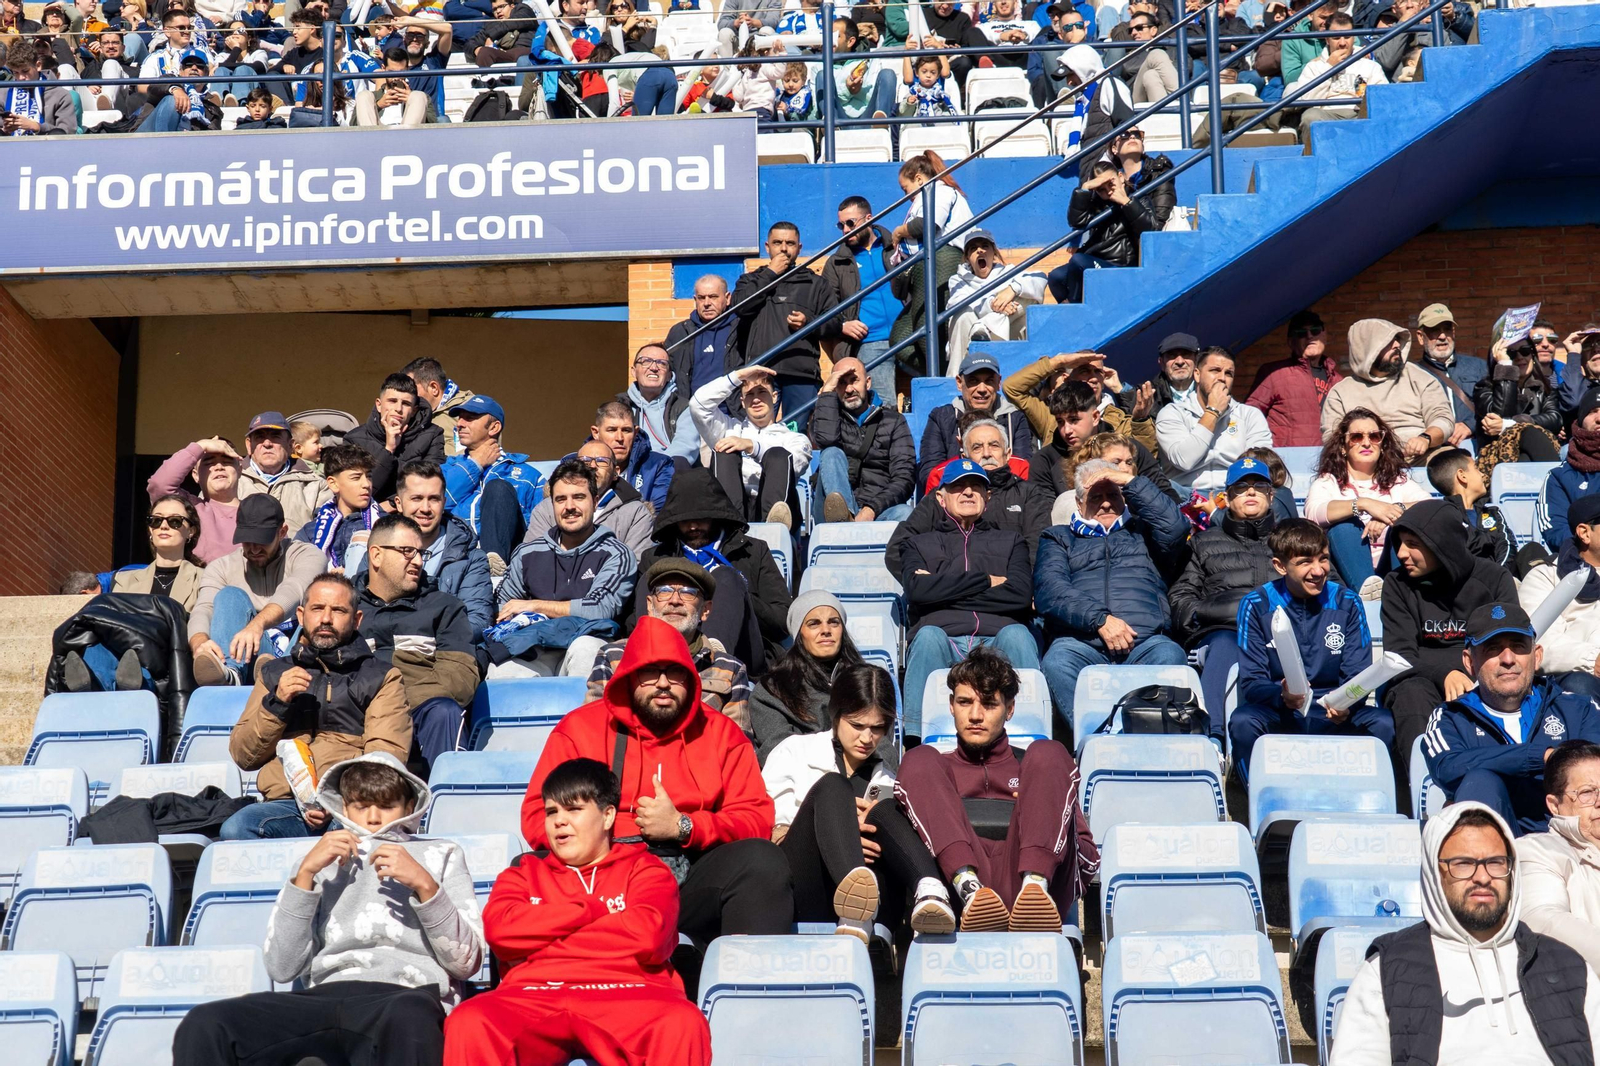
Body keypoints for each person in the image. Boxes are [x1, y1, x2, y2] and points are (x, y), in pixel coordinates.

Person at [173, 753, 486, 1066]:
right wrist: (305, 875)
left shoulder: (442, 853)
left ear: (409, 806)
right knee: (207, 1022)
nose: (374, 818)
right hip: (323, 997)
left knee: (409, 1016)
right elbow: (282, 967)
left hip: (405, 995)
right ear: (344, 807)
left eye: (387, 806)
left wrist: (426, 886)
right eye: (362, 807)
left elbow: (466, 963)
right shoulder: (317, 858)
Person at [522, 617, 794, 941]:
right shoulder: (579, 729)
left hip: (692, 872)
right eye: (650, 671)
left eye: (675, 671)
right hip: (598, 873)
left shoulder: (722, 732)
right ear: (630, 676)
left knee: (763, 861)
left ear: (691, 678)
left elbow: (754, 817)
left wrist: (684, 826)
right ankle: (549, 988)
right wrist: (600, 842)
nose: (663, 683)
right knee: (528, 871)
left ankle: (740, 986)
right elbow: (539, 814)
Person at [442, 758, 712, 1066]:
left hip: (629, 994)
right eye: (552, 811)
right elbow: (501, 933)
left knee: (681, 1022)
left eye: (574, 810)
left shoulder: (646, 870)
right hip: (533, 994)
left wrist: (541, 942)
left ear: (608, 816)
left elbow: (648, 937)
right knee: (470, 1020)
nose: (559, 821)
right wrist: (588, 911)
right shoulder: (522, 873)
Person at [1329, 802, 1600, 1066]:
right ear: (1435, 873)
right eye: (1463, 863)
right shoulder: (1388, 969)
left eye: (1495, 862)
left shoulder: (1568, 965)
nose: (1482, 877)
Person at [896, 647, 1100, 931]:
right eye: (965, 702)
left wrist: (1036, 818)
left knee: (1049, 751)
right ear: (951, 705)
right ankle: (969, 888)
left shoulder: (1040, 769)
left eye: (989, 704)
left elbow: (1087, 861)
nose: (975, 715)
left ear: (1010, 709)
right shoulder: (931, 774)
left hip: (1033, 891)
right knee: (918, 757)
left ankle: (1034, 890)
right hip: (959, 895)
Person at [766, 665, 958, 942]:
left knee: (887, 808)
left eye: (877, 728)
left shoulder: (889, 778)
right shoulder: (794, 751)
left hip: (879, 897)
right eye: (857, 725)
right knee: (833, 787)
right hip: (806, 886)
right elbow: (773, 831)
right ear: (836, 714)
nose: (867, 739)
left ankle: (929, 889)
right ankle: (855, 898)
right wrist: (840, 835)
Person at [219, 573, 412, 840]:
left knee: (356, 832)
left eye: (338, 611)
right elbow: (244, 755)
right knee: (236, 828)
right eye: (317, 609)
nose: (325, 619)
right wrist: (278, 704)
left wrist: (336, 800)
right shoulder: (275, 673)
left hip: (351, 809)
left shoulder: (380, 676)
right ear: (300, 615)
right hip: (285, 803)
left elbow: (384, 757)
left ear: (356, 620)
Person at [1230, 519, 1392, 779]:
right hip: (1281, 711)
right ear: (1280, 566)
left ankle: (1366, 801)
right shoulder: (1256, 604)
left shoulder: (1346, 602)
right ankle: (1258, 799)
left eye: (1323, 559)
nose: (1318, 571)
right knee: (1243, 721)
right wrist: (1280, 696)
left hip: (1333, 711)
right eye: (1305, 562)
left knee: (1381, 723)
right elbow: (1252, 682)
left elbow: (1356, 673)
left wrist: (1346, 704)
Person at [1037, 459, 1192, 729]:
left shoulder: (1145, 533)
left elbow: (1175, 526)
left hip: (1144, 643)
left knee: (1170, 656)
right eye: (1095, 496)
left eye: (1113, 494)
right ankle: (1096, 737)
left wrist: (1129, 481)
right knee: (1057, 661)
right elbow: (1050, 590)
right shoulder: (1058, 537)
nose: (1106, 503)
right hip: (1082, 642)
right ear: (1078, 503)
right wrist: (1101, 621)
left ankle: (1144, 737)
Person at [900, 459, 1039, 738]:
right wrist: (986, 581)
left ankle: (1032, 733)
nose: (967, 492)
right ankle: (914, 742)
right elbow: (917, 592)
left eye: (976, 486)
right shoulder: (917, 543)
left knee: (1018, 634)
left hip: (997, 635)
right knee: (927, 637)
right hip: (943, 637)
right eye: (957, 487)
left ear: (987, 498)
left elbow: (1020, 596)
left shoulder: (1011, 541)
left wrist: (941, 593)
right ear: (941, 497)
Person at [1388, 504, 1520, 785]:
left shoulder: (1494, 579)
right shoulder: (1397, 584)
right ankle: (1427, 788)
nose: (1401, 554)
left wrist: (1469, 675)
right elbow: (1400, 656)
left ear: (1442, 544)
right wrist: (1446, 673)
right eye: (1399, 543)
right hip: (1419, 679)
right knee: (1411, 692)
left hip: (1483, 675)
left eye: (1412, 544)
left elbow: (1505, 644)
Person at [635, 466, 792, 676]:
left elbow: (782, 619)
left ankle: (712, 665)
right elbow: (631, 620)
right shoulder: (655, 557)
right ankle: (651, 661)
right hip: (668, 649)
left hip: (742, 653)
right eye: (684, 520)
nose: (693, 526)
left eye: (701, 518)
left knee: (726, 576)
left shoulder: (753, 552)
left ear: (716, 515)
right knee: (654, 576)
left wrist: (738, 594)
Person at [355, 514, 482, 768]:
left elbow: (461, 681)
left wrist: (393, 698)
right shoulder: (345, 607)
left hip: (422, 716)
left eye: (422, 553)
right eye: (407, 551)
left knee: (445, 711)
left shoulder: (445, 607)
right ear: (376, 555)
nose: (418, 561)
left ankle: (440, 802)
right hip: (357, 716)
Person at [1168, 458, 1281, 738]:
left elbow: (1329, 587)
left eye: (1259, 486)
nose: (1251, 492)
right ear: (1227, 498)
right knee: (1224, 643)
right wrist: (1211, 613)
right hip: (1225, 631)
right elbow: (1181, 599)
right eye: (1241, 487)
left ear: (1271, 495)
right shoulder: (1203, 542)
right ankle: (1212, 739)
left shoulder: (1292, 538)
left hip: (1285, 630)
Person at [495, 461, 637, 680]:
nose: (569, 507)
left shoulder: (616, 553)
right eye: (561, 499)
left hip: (588, 643)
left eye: (579, 497)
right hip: (535, 648)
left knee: (586, 650)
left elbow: (600, 609)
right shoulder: (527, 553)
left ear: (596, 501)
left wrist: (534, 605)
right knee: (501, 672)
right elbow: (503, 607)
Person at [589, 559, 750, 730]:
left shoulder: (730, 669)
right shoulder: (613, 656)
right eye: (664, 591)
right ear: (650, 605)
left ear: (705, 610)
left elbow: (739, 740)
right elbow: (593, 728)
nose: (675, 600)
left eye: (688, 592)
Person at [188, 495, 325, 687]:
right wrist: (199, 643)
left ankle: (275, 672)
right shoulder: (222, 567)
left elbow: (294, 588)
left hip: (295, 655)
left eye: (261, 541)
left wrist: (257, 625)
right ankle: (230, 676)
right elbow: (204, 608)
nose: (253, 549)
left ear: (282, 532)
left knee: (315, 616)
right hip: (248, 657)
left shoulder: (307, 555)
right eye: (246, 541)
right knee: (229, 596)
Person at [890, 416, 1052, 575]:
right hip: (946, 595)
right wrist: (926, 583)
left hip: (1007, 594)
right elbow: (898, 547)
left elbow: (1039, 552)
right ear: (964, 457)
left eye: (994, 445)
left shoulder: (1028, 494)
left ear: (1008, 453)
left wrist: (1015, 587)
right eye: (977, 447)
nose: (987, 453)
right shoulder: (943, 496)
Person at [1306, 408, 1434, 596]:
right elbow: (1314, 513)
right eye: (1356, 437)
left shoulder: (1398, 480)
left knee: (1400, 527)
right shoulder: (1329, 481)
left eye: (1374, 436)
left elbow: (1431, 508)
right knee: (1345, 526)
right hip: (1344, 574)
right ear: (1343, 446)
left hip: (1394, 565)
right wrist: (1364, 504)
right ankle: (1367, 595)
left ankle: (1402, 595)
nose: (1366, 442)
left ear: (1382, 444)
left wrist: (1391, 514)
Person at [730, 222, 838, 429]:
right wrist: (771, 273)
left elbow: (834, 323)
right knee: (757, 431)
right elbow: (740, 307)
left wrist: (809, 323)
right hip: (759, 372)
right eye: (777, 242)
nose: (784, 248)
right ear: (767, 247)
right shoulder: (750, 280)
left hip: (801, 373)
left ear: (799, 247)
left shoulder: (815, 284)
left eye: (790, 243)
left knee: (796, 434)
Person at [688, 365, 812, 533]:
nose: (755, 399)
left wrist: (752, 446)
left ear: (774, 397)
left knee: (779, 455)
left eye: (762, 392)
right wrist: (737, 376)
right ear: (742, 401)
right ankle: (730, 527)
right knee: (725, 451)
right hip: (737, 506)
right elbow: (698, 405)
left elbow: (795, 464)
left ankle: (774, 528)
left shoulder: (794, 438)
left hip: (777, 508)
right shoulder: (729, 429)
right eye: (749, 395)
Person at [748, 592, 867, 764]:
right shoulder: (772, 690)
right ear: (799, 634)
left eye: (834, 622)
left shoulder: (866, 683)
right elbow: (778, 752)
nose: (826, 630)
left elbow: (883, 747)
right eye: (814, 624)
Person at [384, 461, 494, 639]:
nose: (425, 508)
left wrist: (419, 637)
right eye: (417, 498)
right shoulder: (380, 550)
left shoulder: (470, 558)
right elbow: (363, 611)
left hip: (444, 655)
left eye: (434, 499)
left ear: (444, 502)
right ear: (399, 503)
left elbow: (478, 622)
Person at [1322, 319, 1456, 463]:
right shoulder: (1341, 392)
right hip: (1368, 465)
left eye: (1397, 339)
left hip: (1421, 458)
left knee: (1453, 462)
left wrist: (1425, 438)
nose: (1397, 345)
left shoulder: (1418, 377)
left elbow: (1443, 418)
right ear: (1368, 348)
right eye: (1389, 341)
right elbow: (1333, 439)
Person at [1517, 740, 1600, 971]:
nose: (1599, 801)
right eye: (1586, 793)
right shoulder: (1537, 850)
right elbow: (1540, 919)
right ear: (1555, 805)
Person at [1029, 378, 1178, 502]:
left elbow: (1165, 494)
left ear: (1095, 417)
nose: (1067, 430)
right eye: (1060, 421)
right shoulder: (1044, 461)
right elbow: (1043, 514)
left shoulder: (1127, 449)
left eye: (1074, 420)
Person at [1155, 346, 1273, 498]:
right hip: (1185, 494)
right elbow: (1184, 460)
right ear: (1197, 375)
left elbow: (1258, 465)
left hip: (1236, 493)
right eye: (1215, 370)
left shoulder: (1249, 415)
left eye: (1228, 373)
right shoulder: (1173, 413)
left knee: (1281, 495)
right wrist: (1212, 412)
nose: (1222, 378)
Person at [811, 356, 916, 524]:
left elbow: (904, 477)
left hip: (877, 511)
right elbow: (826, 440)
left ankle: (850, 524)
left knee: (905, 513)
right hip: (830, 512)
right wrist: (827, 394)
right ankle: (846, 518)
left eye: (854, 380)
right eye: (841, 383)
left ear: (867, 383)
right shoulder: (828, 414)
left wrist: (871, 509)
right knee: (831, 453)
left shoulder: (894, 421)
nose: (849, 388)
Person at [442, 395, 544, 568]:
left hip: (511, 562)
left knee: (498, 488)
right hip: (456, 560)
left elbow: (542, 525)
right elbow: (438, 502)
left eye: (470, 418)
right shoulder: (447, 468)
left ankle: (494, 564)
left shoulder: (529, 475)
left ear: (494, 427)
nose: (460, 424)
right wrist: (475, 465)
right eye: (460, 418)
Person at [1005, 352, 1156, 468]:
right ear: (1068, 378)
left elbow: (1144, 461)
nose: (1094, 378)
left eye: (1098, 372)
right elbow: (1012, 388)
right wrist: (1058, 362)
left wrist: (1141, 419)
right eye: (1085, 371)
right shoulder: (1052, 415)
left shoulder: (1121, 418)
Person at [820, 196, 903, 403]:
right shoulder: (837, 263)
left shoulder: (897, 247)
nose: (845, 230)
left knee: (934, 384)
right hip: (871, 341)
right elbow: (823, 309)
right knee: (885, 406)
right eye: (841, 225)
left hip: (909, 334)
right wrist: (842, 325)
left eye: (851, 223)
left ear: (868, 219)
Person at [1521, 497, 1600, 701]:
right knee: (1579, 686)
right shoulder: (1547, 576)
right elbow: (1540, 642)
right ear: (1584, 532)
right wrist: (1594, 660)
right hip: (1582, 676)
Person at [920, 353, 1036, 491]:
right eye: (973, 381)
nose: (982, 389)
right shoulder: (941, 418)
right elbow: (931, 475)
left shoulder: (1015, 418)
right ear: (959, 382)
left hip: (1007, 497)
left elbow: (1023, 470)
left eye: (989, 381)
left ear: (999, 382)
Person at [1048, 160, 1156, 305]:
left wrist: (1126, 202)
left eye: (1110, 184)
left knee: (1078, 261)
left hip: (1120, 265)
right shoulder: (1096, 205)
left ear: (1121, 177)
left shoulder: (1140, 199)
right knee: (1056, 276)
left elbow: (1150, 230)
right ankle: (1073, 306)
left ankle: (1074, 310)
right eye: (1101, 189)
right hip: (1095, 259)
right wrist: (1085, 188)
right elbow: (1076, 222)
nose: (1108, 191)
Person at [525, 441, 654, 560]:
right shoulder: (546, 509)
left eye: (601, 461)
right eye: (585, 460)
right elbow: (531, 558)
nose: (592, 466)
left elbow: (635, 563)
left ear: (616, 472)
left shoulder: (636, 513)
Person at [944, 231, 1049, 376]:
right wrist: (995, 304)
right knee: (963, 315)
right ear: (968, 257)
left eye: (985, 246)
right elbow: (959, 302)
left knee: (1028, 298)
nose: (979, 250)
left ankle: (984, 326)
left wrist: (1012, 289)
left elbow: (1040, 278)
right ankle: (954, 377)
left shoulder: (1008, 272)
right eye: (973, 248)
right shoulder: (957, 280)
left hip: (1002, 334)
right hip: (970, 338)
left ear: (994, 252)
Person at [1246, 310, 1346, 448]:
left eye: (1315, 330)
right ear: (1291, 342)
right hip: (1286, 461)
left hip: (1328, 461)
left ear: (1324, 335)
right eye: (1301, 333)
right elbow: (1249, 417)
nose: (1310, 336)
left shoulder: (1338, 381)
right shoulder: (1274, 373)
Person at [1284, 12, 1387, 144]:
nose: (1342, 43)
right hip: (1326, 113)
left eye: (1347, 37)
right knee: (1310, 117)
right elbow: (1306, 100)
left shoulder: (1370, 66)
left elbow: (1382, 97)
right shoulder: (1314, 66)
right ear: (1327, 39)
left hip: (1359, 113)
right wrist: (1329, 68)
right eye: (1336, 38)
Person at [346, 373, 448, 502]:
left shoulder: (433, 435)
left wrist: (391, 505)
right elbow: (357, 493)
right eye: (392, 401)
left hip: (414, 512)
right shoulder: (354, 439)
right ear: (379, 405)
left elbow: (431, 484)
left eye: (405, 403)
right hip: (366, 514)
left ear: (414, 411)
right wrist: (389, 449)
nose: (398, 409)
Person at [1475, 333, 1563, 469]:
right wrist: (1505, 367)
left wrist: (1510, 424)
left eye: (1525, 351)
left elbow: (1554, 419)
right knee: (1528, 442)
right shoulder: (1484, 388)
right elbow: (1500, 414)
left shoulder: (1545, 388)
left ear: (1532, 355)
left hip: (1536, 454)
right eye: (1511, 354)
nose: (1520, 357)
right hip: (1498, 458)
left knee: (1528, 442)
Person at [236, 411, 330, 537]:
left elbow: (324, 535)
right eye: (260, 437)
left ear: (290, 445)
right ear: (249, 445)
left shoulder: (316, 485)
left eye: (275, 437)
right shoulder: (231, 481)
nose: (267, 444)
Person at [293, 444, 381, 571]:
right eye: (356, 478)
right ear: (333, 484)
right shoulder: (310, 531)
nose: (366, 484)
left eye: (369, 476)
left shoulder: (386, 525)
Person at [1410, 302, 1486, 446]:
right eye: (1434, 330)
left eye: (1447, 329)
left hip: (1479, 447)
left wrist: (1470, 425)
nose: (1443, 336)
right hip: (1435, 453)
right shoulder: (1412, 374)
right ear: (1420, 337)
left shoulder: (1479, 367)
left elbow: (1495, 407)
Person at [1427, 447, 1515, 570]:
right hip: (1467, 585)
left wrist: (1498, 577)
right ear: (1462, 476)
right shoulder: (1443, 516)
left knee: (1532, 550)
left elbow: (1507, 546)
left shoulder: (1493, 513)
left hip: (1501, 580)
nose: (1482, 474)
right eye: (1476, 468)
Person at [618, 343, 700, 466]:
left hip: (669, 473)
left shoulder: (683, 408)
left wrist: (652, 469)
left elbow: (684, 448)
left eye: (661, 363)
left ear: (669, 375)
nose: (654, 367)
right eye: (645, 361)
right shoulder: (620, 407)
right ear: (634, 372)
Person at [1540, 390, 1600, 552]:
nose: (1599, 418)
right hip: (1582, 562)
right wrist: (1589, 550)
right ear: (1580, 421)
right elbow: (1554, 528)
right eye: (1593, 412)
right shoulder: (1559, 477)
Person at [664, 275, 739, 402]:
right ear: (695, 300)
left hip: (732, 413)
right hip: (689, 413)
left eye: (713, 297)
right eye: (701, 298)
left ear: (727, 298)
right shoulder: (680, 332)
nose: (707, 303)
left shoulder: (741, 329)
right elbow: (666, 371)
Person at [592, 401, 675, 513]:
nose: (619, 438)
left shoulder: (658, 465)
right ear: (596, 433)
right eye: (611, 430)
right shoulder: (575, 464)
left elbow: (660, 515)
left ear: (636, 432)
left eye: (626, 430)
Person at [403, 356, 476, 458]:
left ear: (434, 388)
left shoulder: (472, 409)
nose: (408, 396)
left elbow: (484, 454)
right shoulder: (413, 414)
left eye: (413, 390)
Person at [1151, 332, 1199, 415]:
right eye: (1172, 356)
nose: (1180, 362)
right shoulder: (1150, 396)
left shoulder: (1212, 389)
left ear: (1196, 360)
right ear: (1162, 363)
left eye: (1186, 354)